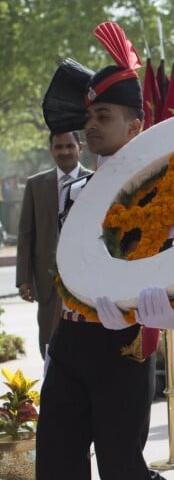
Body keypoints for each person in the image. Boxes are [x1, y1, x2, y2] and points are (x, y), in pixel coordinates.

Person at [36, 23, 174, 480]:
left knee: (120, 469)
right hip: (72, 341)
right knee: (57, 463)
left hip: (121, 343)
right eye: (90, 116)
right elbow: (66, 276)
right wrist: (55, 344)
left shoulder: (158, 192)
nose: (91, 127)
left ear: (136, 124)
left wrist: (156, 314)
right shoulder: (76, 192)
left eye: (105, 116)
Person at [16, 131, 91, 357]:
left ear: (81, 147)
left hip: (85, 277)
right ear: (51, 150)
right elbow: (26, 234)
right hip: (47, 281)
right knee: (48, 340)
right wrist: (24, 279)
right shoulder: (35, 185)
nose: (64, 151)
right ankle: (53, 388)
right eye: (58, 147)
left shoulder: (96, 181)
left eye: (70, 146)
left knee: (85, 340)